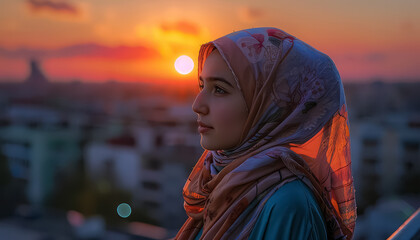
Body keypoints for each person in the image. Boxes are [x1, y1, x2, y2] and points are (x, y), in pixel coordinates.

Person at [174, 27, 356, 240]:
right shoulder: (219, 181)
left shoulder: (288, 205)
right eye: (202, 85)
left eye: (220, 89)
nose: (197, 105)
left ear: (269, 106)